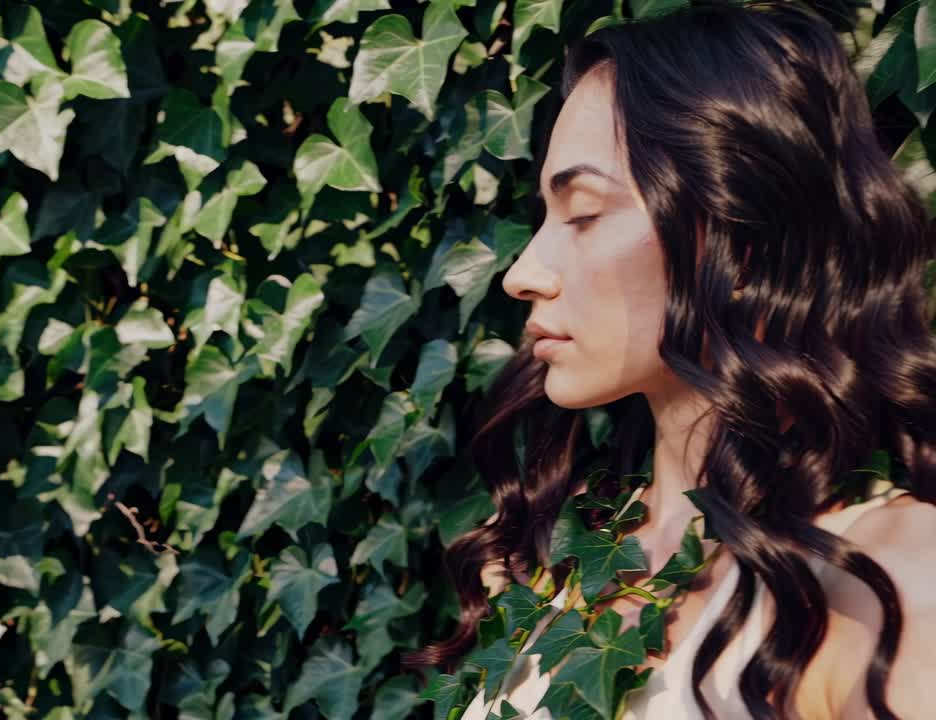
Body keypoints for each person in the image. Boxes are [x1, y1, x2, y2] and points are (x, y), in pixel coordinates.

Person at [401, 2, 936, 718]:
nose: (522, 273)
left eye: (584, 213)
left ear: (743, 234)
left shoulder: (889, 583)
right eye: (545, 219)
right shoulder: (569, 558)